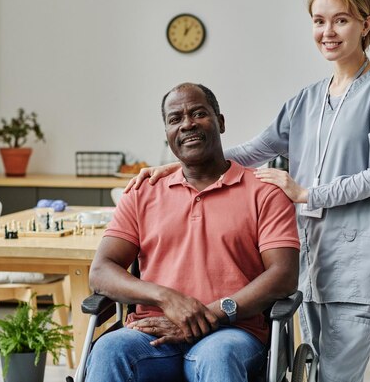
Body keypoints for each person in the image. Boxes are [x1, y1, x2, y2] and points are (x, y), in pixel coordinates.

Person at [127, 0, 370, 382]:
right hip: (313, 258)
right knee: (315, 371)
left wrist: (304, 193)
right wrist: (179, 167)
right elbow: (251, 150)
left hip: (357, 261)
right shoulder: (307, 99)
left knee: (336, 376)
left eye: (341, 21)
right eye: (319, 21)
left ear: (365, 24)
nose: (327, 32)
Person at [86, 82, 300, 382]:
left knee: (217, 357)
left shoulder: (264, 191)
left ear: (220, 122)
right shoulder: (142, 192)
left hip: (232, 331)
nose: (187, 124)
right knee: (109, 350)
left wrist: (212, 313)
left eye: (198, 113)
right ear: (168, 134)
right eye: (175, 119)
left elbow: (284, 275)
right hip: (153, 331)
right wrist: (167, 299)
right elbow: (101, 271)